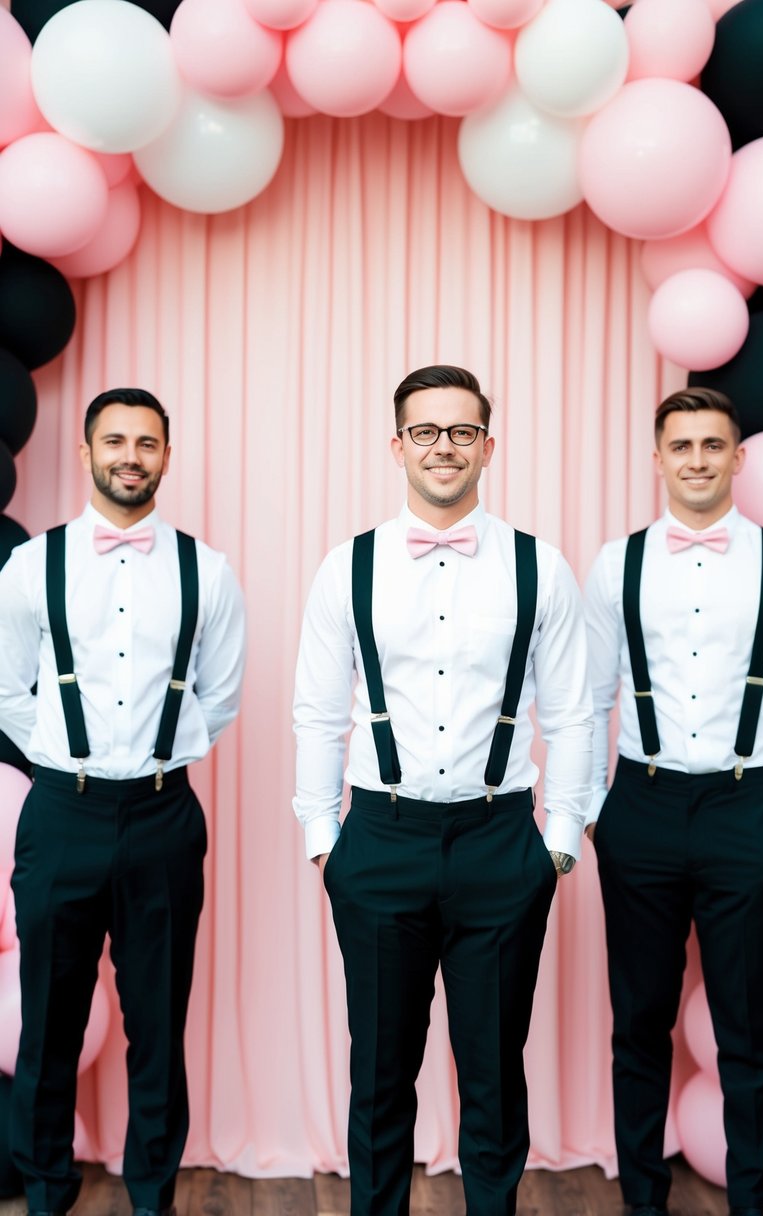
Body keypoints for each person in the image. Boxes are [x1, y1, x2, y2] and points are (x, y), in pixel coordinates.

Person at [293, 364, 593, 1216]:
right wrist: (325, 842)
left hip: (502, 844)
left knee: (495, 1075)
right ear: (396, 446)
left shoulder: (541, 566)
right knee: (380, 1075)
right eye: (425, 431)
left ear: (488, 446)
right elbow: (316, 712)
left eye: (462, 431)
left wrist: (560, 840)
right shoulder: (345, 567)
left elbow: (572, 713)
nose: (443, 447)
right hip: (379, 841)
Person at [0, 388, 246, 1216]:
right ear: (86, 454)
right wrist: (66, 758)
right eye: (114, 441)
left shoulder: (205, 570)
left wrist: (155, 760)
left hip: (162, 819)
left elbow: (220, 697)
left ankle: (151, 1197)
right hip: (60, 816)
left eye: (146, 443)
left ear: (165, 457)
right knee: (47, 1025)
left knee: (156, 1026)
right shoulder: (33, 564)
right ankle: (45, 1193)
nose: (130, 456)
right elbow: (5, 689)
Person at [584, 387, 763, 1216]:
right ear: (657, 459)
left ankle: (751, 1203)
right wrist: (589, 811)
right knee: (638, 1024)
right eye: (680, 446)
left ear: (737, 458)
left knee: (746, 1030)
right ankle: (642, 1202)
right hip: (640, 807)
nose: (695, 460)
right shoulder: (614, 564)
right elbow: (584, 698)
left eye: (710, 445)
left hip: (743, 809)